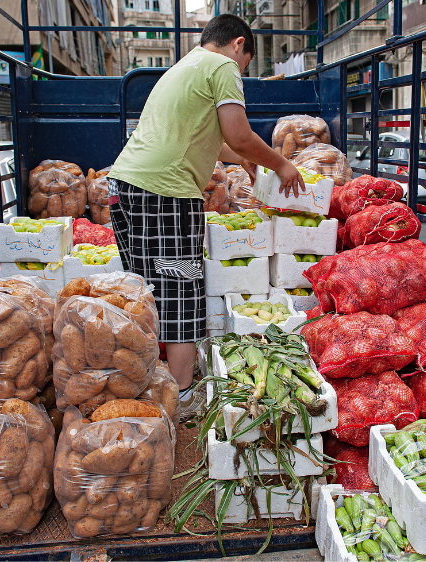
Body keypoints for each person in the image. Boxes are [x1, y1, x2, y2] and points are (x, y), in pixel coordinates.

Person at [107, 14, 305, 413]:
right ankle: (180, 394)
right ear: (237, 45)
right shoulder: (224, 65)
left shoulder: (185, 66)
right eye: (246, 63)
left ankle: (144, 383)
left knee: (145, 293)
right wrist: (281, 164)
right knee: (181, 291)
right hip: (166, 193)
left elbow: (217, 144)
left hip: (126, 184)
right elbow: (239, 134)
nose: (241, 71)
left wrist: (247, 160)